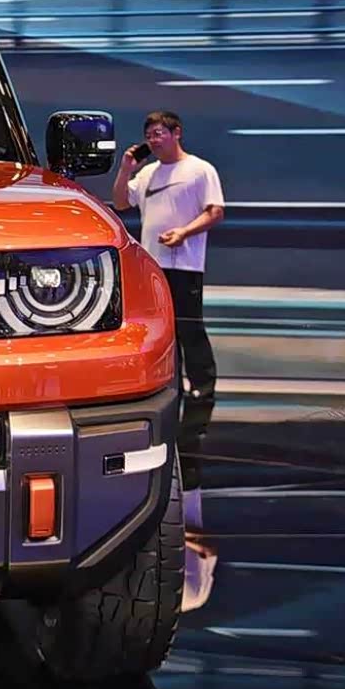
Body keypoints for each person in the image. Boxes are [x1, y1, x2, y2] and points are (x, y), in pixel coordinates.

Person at [113, 109, 224, 555]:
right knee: (161, 333)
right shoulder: (149, 174)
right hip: (154, 265)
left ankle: (203, 386)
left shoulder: (199, 170)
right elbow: (122, 203)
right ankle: (171, 382)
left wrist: (185, 232)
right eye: (149, 134)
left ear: (177, 133)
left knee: (190, 331)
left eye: (159, 133)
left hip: (185, 264)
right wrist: (126, 168)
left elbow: (216, 212)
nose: (154, 139)